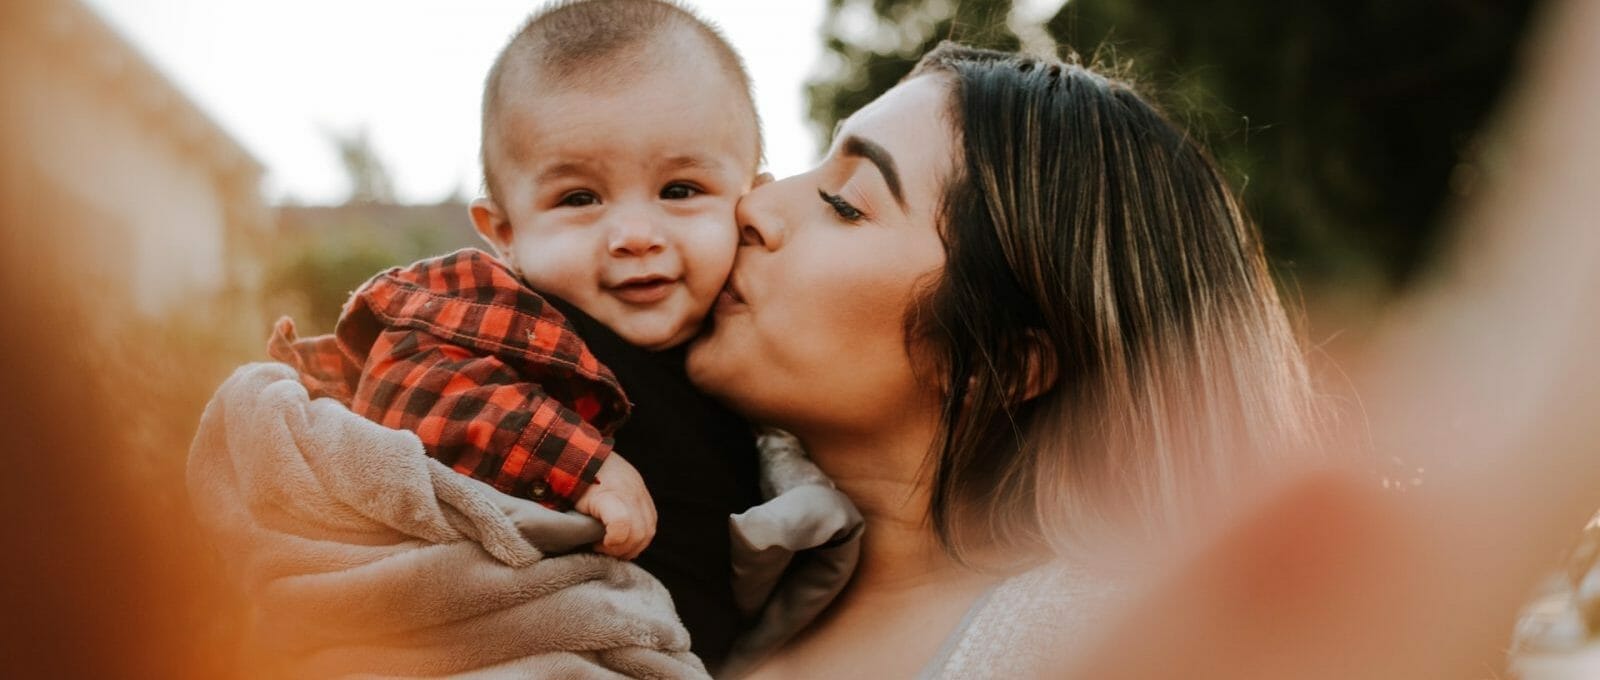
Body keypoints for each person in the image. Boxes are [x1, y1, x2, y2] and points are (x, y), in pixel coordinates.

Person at [686, 42, 1318, 677]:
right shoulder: (679, 542)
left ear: (1003, 364)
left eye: (845, 203)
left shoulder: (1112, 652)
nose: (754, 206)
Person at [266, 0, 765, 669]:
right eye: (579, 199)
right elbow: (408, 379)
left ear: (752, 202)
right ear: (504, 234)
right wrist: (578, 463)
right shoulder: (510, 311)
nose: (636, 236)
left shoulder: (753, 345)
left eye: (680, 189)